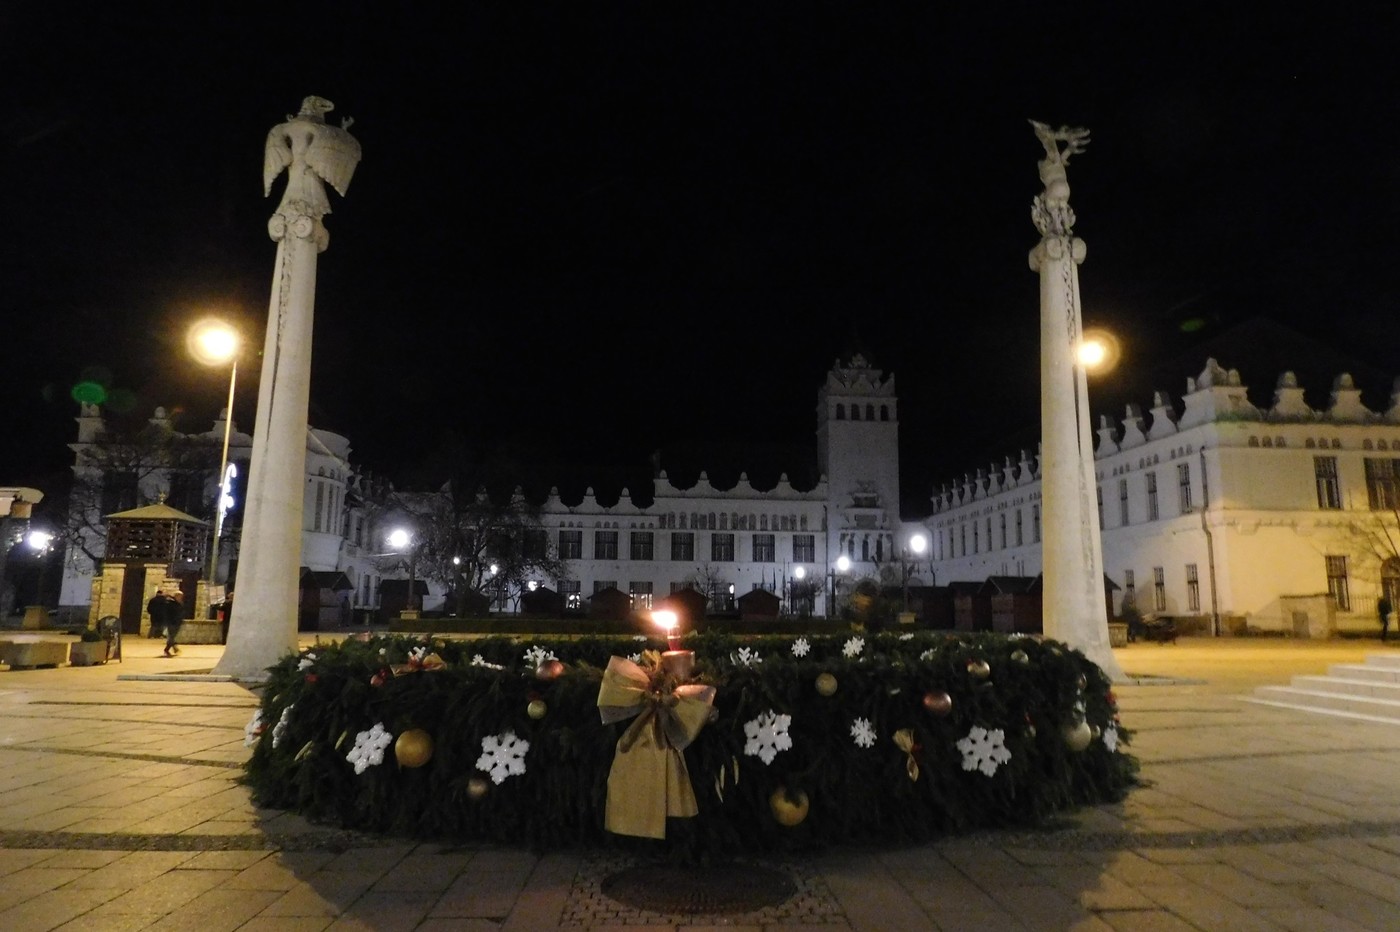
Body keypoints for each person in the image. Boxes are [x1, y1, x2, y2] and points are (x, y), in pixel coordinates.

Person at [162, 590, 186, 657]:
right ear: (176, 596)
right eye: (179, 596)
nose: (181, 597)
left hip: (177, 622)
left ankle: (170, 649)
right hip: (172, 622)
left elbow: (181, 612)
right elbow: (168, 613)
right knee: (172, 636)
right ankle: (171, 649)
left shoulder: (179, 603)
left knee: (172, 636)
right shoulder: (171, 603)